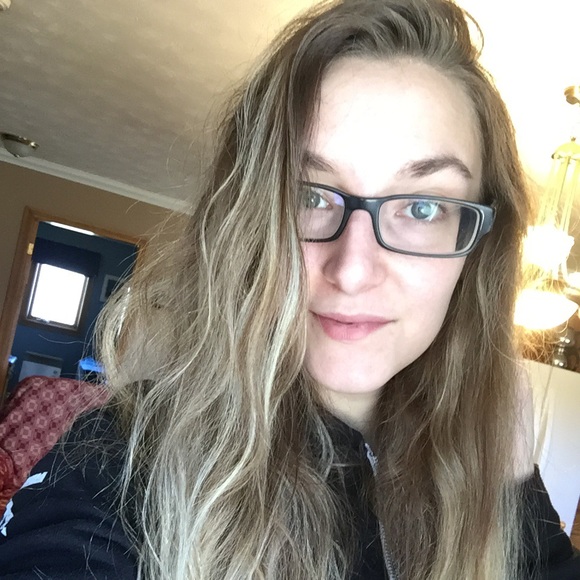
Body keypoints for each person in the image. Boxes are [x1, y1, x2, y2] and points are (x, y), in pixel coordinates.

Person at [0, 0, 578, 578]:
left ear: (477, 247)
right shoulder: (120, 461)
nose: (353, 270)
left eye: (423, 207)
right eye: (309, 195)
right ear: (246, 223)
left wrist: (512, 487)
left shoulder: (490, 462)